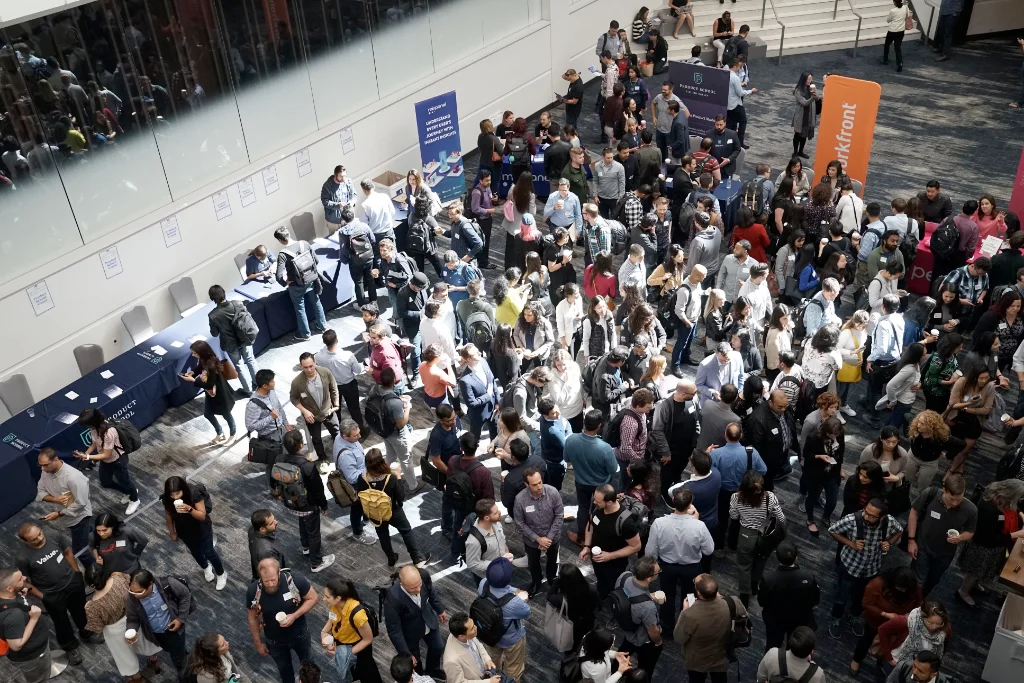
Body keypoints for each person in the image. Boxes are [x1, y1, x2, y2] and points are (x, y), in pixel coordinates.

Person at [15, 523, 95, 665]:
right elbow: (25, 583)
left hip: (72, 583)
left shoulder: (53, 535)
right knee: (61, 622)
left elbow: (68, 553)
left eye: (39, 533)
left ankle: (87, 632)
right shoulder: (22, 558)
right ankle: (70, 647)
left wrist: (77, 574)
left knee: (81, 611)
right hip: (51, 594)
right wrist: (44, 597)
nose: (40, 538)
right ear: (25, 542)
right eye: (34, 539)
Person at [827, 498, 904, 639]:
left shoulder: (889, 521)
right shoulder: (852, 520)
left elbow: (900, 531)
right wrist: (851, 543)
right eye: (866, 512)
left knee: (863, 596)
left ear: (882, 517)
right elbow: (832, 530)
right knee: (842, 595)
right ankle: (836, 618)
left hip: (871, 568)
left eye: (872, 516)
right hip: (850, 566)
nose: (866, 517)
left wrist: (889, 543)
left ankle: (854, 615)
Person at [648, 487, 714, 629]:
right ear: (690, 504)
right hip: (691, 568)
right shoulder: (699, 526)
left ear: (673, 501)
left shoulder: (658, 523)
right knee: (690, 597)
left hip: (666, 567)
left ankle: (667, 627)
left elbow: (650, 552)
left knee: (666, 596)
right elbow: (709, 550)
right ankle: (685, 625)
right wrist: (695, 522)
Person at [246, 558, 318, 683]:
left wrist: (294, 615)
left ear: (279, 572)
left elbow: (313, 598)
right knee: (285, 671)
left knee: (308, 665)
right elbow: (252, 618)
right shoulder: (254, 591)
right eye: (266, 581)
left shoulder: (294, 581)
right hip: (275, 642)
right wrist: (258, 643)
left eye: (273, 580)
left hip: (300, 635)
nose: (270, 584)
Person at [356, 448, 429, 569]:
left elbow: (360, 495)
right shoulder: (390, 478)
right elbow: (400, 497)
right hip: (393, 511)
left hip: (375, 513)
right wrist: (399, 476)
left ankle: (391, 558)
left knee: (382, 534)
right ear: (381, 462)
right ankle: (417, 558)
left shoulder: (362, 478)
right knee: (406, 531)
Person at [956, 479, 1024, 605]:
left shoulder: (998, 494)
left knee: (981, 570)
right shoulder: (989, 509)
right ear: (1010, 494)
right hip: (983, 546)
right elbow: (989, 538)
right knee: (975, 570)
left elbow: (1015, 506)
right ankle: (963, 592)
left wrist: (1021, 514)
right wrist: (1016, 534)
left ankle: (975, 585)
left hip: (993, 545)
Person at [674, 573, 747, 683]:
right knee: (720, 679)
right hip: (722, 654)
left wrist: (684, 610)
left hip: (697, 659)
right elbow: (744, 619)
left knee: (696, 680)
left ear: (698, 592)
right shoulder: (733, 602)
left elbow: (679, 638)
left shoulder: (689, 614)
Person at [850, 565, 923, 673]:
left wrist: (909, 616)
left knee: (891, 644)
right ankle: (857, 659)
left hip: (899, 623)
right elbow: (867, 604)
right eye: (899, 587)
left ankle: (881, 661)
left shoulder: (913, 587)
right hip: (876, 621)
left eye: (904, 589)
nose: (902, 590)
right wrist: (886, 614)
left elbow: (919, 603)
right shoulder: (877, 584)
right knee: (866, 639)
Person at [729, 471, 785, 604]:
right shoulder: (770, 497)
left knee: (744, 565)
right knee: (760, 561)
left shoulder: (736, 497)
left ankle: (744, 594)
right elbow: (781, 518)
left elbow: (734, 516)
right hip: (765, 536)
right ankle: (755, 586)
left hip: (746, 536)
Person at [564, 410, 619, 545]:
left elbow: (567, 460)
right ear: (599, 426)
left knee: (583, 508)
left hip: (581, 481)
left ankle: (582, 536)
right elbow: (613, 470)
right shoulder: (605, 448)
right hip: (601, 485)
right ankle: (597, 537)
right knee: (600, 510)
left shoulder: (570, 439)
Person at [382, 566, 446, 680]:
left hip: (428, 620)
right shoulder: (392, 599)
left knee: (438, 647)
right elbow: (394, 630)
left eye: (419, 584)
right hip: (409, 632)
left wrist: (440, 610)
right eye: (413, 588)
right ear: (402, 585)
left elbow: (431, 592)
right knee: (414, 661)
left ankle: (432, 671)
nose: (418, 589)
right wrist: (406, 654)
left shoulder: (424, 575)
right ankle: (419, 675)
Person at [74, 407, 141, 516]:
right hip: (105, 460)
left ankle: (135, 499)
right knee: (105, 482)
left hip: (118, 460)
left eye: (87, 424)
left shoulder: (109, 432)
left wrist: (87, 457)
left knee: (125, 482)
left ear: (93, 422)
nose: (86, 427)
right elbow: (95, 443)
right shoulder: (94, 428)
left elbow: (106, 454)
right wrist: (86, 453)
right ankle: (128, 492)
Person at [580, 484, 643, 597]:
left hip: (614, 565)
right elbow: (591, 524)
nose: (594, 502)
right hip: (597, 558)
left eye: (597, 501)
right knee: (601, 582)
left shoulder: (626, 523)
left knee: (613, 588)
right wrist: (587, 546)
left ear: (609, 502)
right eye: (594, 499)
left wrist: (610, 556)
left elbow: (636, 546)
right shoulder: (599, 507)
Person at [36, 447, 93, 568]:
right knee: (88, 533)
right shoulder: (45, 472)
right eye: (40, 465)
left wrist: (59, 514)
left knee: (80, 551)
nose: (42, 468)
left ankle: (96, 571)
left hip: (79, 517)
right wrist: (55, 499)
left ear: (55, 459)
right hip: (66, 517)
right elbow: (40, 492)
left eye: (45, 465)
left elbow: (81, 503)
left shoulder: (74, 477)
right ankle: (96, 540)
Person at [757, 542, 820, 652]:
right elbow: (815, 600)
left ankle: (770, 661)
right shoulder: (808, 577)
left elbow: (762, 601)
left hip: (775, 619)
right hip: (799, 619)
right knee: (795, 647)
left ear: (777, 558)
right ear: (796, 558)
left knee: (772, 645)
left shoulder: (768, 579)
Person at [477, 559, 530, 683]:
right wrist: (521, 596)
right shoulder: (514, 602)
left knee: (492, 660)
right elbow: (526, 612)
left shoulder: (483, 584)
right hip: (511, 639)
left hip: (489, 634)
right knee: (514, 667)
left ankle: (493, 677)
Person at [0, 566, 58, 681]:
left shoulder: (6, 595)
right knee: (40, 679)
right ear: (9, 588)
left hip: (36, 646)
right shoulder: (13, 615)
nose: (25, 578)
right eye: (20, 579)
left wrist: (19, 592)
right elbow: (16, 645)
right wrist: (34, 619)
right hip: (33, 658)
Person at [513, 469, 563, 596]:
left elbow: (559, 516)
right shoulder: (520, 499)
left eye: (540, 482)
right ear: (526, 484)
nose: (539, 487)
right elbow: (519, 523)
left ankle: (552, 578)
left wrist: (548, 538)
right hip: (531, 540)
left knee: (553, 560)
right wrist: (538, 539)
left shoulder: (553, 492)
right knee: (533, 562)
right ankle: (536, 582)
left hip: (552, 537)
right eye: (534, 484)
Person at [289, 352, 340, 474]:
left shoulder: (325, 372)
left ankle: (340, 452)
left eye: (311, 366)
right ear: (301, 366)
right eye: (305, 367)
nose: (309, 370)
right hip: (312, 416)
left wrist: (336, 403)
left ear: (315, 363)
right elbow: (293, 398)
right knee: (316, 438)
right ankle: (323, 459)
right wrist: (305, 411)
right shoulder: (297, 382)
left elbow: (333, 387)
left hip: (328, 411)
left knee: (336, 433)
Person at [274, 226, 327, 341]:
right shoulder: (304, 243)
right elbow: (316, 260)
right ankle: (322, 326)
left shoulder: (283, 254)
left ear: (280, 240)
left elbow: (278, 276)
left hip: (295, 285)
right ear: (289, 234)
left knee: (300, 309)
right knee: (316, 302)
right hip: (311, 279)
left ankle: (305, 334)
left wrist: (285, 283)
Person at [613, 556, 664, 674]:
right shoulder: (647, 607)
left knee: (623, 654)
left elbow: (626, 594)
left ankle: (614, 672)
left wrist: (649, 596)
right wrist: (658, 642)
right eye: (658, 572)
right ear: (648, 578)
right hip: (642, 639)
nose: (659, 573)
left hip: (626, 628)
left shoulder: (624, 576)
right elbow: (653, 631)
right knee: (646, 668)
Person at [207, 285, 259, 396]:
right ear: (224, 293)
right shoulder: (238, 303)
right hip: (245, 338)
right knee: (250, 360)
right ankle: (259, 383)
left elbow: (214, 333)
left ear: (212, 299)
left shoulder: (213, 315)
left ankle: (248, 390)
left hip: (230, 344)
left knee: (239, 366)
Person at [944, 364, 995, 474]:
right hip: (957, 419)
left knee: (965, 450)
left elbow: (986, 410)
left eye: (986, 378)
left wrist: (966, 409)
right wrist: (970, 403)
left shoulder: (990, 387)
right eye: (981, 378)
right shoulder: (962, 382)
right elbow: (953, 404)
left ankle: (951, 470)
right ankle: (956, 464)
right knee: (955, 446)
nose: (984, 381)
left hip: (975, 422)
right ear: (974, 377)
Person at [315, 330, 364, 432]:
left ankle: (338, 432)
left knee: (336, 411)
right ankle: (361, 431)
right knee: (354, 409)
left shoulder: (319, 357)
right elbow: (358, 370)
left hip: (332, 387)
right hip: (349, 385)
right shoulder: (347, 355)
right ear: (337, 340)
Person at [877, 601, 950, 669]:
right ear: (923, 616)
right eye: (930, 622)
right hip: (896, 664)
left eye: (938, 624)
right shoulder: (907, 621)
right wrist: (889, 659)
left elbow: (943, 648)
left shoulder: (944, 629)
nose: (934, 627)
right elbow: (882, 630)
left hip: (920, 670)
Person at [442, 613, 498, 683]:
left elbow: (479, 646)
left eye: (473, 624)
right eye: (472, 628)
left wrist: (487, 660)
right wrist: (488, 682)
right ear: (461, 636)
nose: (476, 627)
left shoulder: (463, 633)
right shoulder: (451, 661)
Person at [756, 627, 825, 683]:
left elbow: (761, 677)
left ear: (790, 642)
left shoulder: (772, 654)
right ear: (812, 651)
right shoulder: (817, 674)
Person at [91, 512, 147, 576]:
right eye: (98, 530)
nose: (101, 534)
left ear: (112, 527)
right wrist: (97, 557)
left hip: (131, 570)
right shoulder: (94, 536)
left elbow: (143, 540)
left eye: (105, 530)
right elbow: (91, 545)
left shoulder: (126, 532)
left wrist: (136, 554)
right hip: (112, 574)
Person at [185, 632, 250, 683]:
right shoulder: (207, 678)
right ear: (213, 653)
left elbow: (237, 671)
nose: (227, 643)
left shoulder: (224, 654)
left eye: (224, 640)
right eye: (223, 645)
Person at [792, 73, 819, 159]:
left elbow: (817, 99)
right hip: (801, 116)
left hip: (809, 115)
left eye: (811, 79)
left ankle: (801, 151)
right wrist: (812, 97)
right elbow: (804, 102)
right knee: (798, 134)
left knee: (805, 134)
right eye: (808, 79)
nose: (809, 81)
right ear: (804, 79)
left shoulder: (811, 87)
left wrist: (815, 94)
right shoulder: (798, 90)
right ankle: (795, 151)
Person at [886, 650, 951, 683]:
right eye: (914, 666)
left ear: (933, 675)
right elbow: (890, 681)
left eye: (921, 671)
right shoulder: (904, 666)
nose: (914, 672)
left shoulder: (942, 681)